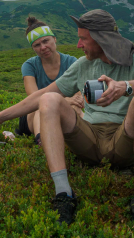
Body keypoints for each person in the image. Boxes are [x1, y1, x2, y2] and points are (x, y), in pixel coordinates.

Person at [0, 9, 134, 232]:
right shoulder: (82, 65)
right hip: (88, 139)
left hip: (123, 139)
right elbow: (40, 95)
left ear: (101, 39)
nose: (79, 45)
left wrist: (124, 87)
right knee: (49, 98)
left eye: (83, 39)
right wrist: (0, 116)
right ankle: (63, 194)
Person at [16, 16, 84, 145]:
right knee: (41, 106)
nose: (43, 47)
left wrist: (68, 102)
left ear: (54, 39)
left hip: (64, 110)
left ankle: (86, 135)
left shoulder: (71, 62)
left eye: (46, 41)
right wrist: (65, 100)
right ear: (33, 48)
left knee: (75, 106)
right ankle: (41, 140)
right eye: (37, 45)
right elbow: (34, 97)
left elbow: (79, 95)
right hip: (32, 116)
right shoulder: (29, 66)